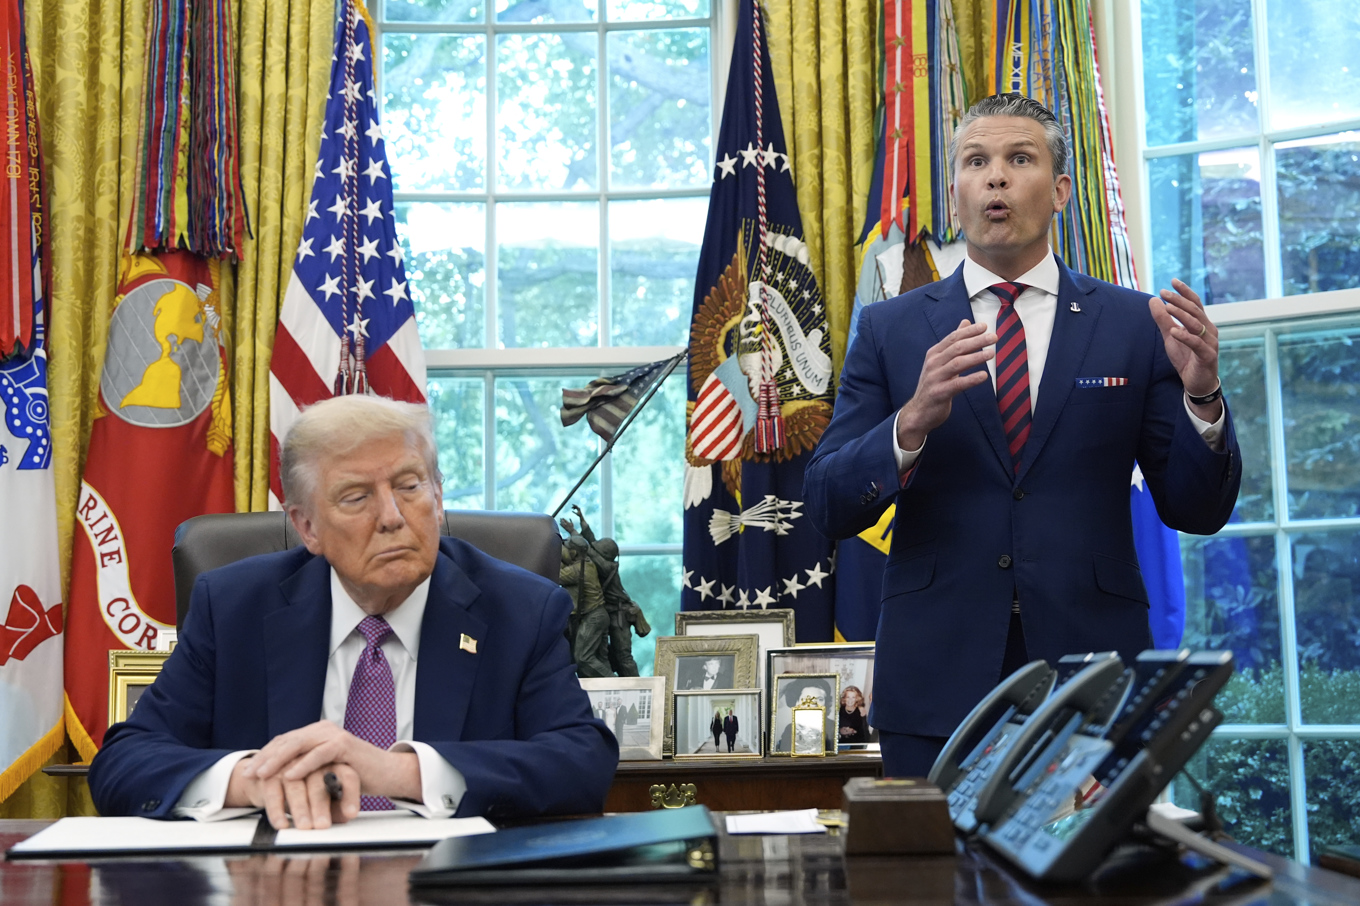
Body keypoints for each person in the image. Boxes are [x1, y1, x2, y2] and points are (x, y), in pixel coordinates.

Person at [803, 94, 1242, 778]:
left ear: (1061, 190)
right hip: (934, 679)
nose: (996, 177)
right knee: (932, 854)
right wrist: (909, 423)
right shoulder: (890, 330)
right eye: (976, 162)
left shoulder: (1133, 324)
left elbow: (1197, 508)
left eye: (1019, 158)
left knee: (1091, 854)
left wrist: (1202, 394)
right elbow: (828, 504)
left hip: (1091, 676)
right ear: (956, 194)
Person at [88, 395, 619, 829]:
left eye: (409, 486)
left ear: (437, 497)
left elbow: (581, 762)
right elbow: (124, 761)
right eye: (356, 497)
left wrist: (395, 772)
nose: (392, 516)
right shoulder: (233, 608)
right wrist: (255, 780)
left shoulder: (520, 610)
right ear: (307, 527)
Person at [775, 677, 835, 754]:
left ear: (826, 702)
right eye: (807, 699)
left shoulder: (832, 727)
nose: (813, 704)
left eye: (820, 699)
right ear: (797, 702)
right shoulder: (790, 729)